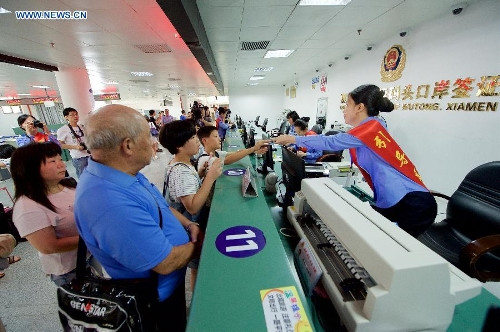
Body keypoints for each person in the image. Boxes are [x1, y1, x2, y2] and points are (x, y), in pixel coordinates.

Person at [74, 105, 200, 331]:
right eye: (148, 135)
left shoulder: (123, 174)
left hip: (169, 285)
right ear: (128, 146)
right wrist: (199, 243)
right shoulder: (108, 201)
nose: (154, 142)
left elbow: (159, 207)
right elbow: (165, 262)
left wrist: (189, 224)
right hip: (154, 300)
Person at [274, 84, 437, 237]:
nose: (343, 110)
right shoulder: (371, 126)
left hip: (413, 204)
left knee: (388, 249)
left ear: (360, 107)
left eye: (347, 105)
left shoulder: (371, 128)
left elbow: (330, 142)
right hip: (392, 200)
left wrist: (292, 138)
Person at [159, 120, 222, 292]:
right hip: (188, 231)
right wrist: (211, 178)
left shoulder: (184, 164)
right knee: (197, 268)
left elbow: (190, 191)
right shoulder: (181, 171)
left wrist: (202, 175)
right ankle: (197, 301)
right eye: (193, 137)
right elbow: (192, 207)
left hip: (187, 228)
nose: (197, 141)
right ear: (179, 145)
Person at [10, 142, 79, 285]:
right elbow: (49, 246)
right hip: (68, 269)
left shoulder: (68, 185)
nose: (61, 164)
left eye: (60, 159)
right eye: (52, 161)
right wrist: (94, 240)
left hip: (89, 256)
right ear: (31, 168)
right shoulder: (27, 205)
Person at [196, 125, 269, 167]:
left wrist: (254, 151)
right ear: (205, 140)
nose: (219, 138)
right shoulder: (205, 159)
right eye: (215, 136)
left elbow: (236, 153)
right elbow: (227, 160)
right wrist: (253, 149)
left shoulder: (216, 153)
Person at [56, 107, 91, 178]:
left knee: (91, 176)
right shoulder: (62, 130)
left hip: (89, 154)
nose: (76, 116)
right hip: (78, 157)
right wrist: (75, 147)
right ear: (66, 117)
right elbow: (60, 145)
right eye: (72, 115)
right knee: (82, 177)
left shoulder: (81, 127)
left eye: (76, 114)